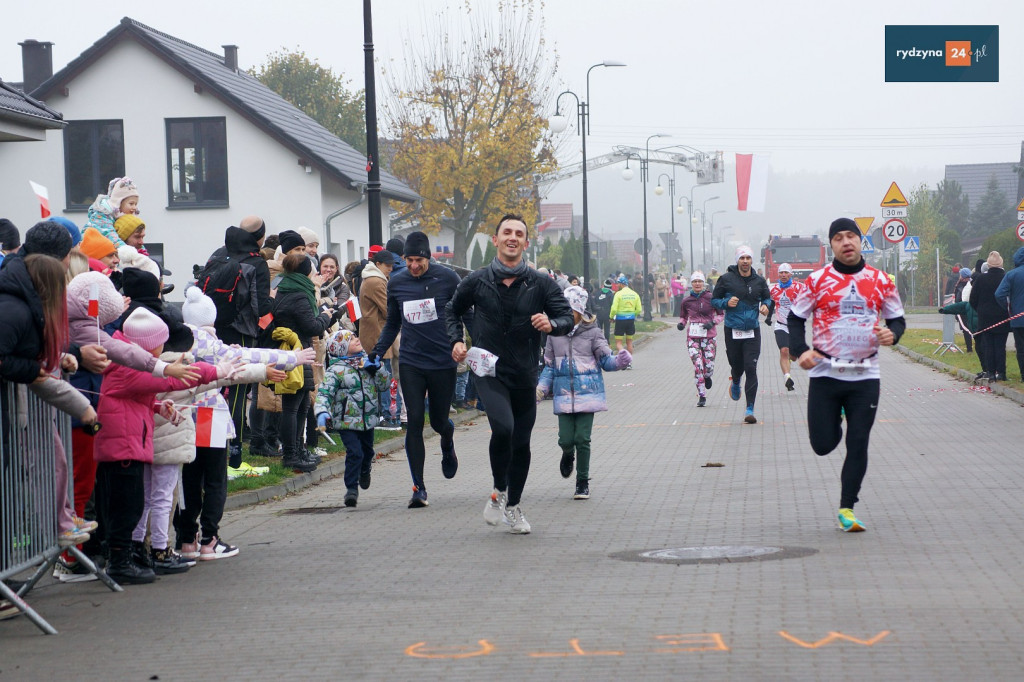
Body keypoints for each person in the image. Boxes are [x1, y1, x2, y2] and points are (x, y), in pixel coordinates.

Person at [447, 214, 573, 534]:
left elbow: (565, 318)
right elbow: (453, 309)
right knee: (502, 428)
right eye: (507, 232)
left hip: (525, 371)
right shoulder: (476, 280)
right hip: (488, 369)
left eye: (519, 233)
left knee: (521, 441)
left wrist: (552, 324)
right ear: (496, 239)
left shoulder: (541, 283)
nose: (512, 237)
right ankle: (498, 491)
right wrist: (458, 340)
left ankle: (513, 505)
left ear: (526, 243)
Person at [788, 217, 906, 533]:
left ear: (860, 241)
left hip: (865, 376)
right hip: (825, 376)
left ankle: (847, 508)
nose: (846, 242)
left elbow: (898, 321)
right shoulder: (816, 281)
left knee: (858, 442)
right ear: (832, 245)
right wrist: (801, 352)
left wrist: (892, 335)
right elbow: (795, 319)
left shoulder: (881, 280)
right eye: (838, 238)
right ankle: (834, 421)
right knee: (823, 444)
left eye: (851, 235)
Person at [93, 308, 205, 584]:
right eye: (158, 343)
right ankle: (123, 561)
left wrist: (156, 405)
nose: (161, 348)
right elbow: (168, 379)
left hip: (130, 443)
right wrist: (224, 370)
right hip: (124, 446)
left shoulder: (128, 365)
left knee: (134, 503)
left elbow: (137, 395)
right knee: (127, 506)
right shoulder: (130, 367)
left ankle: (133, 556)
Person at [370, 231, 465, 508]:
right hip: (411, 361)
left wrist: (469, 343)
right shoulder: (397, 283)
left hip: (442, 361)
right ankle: (418, 488)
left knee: (437, 421)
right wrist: (376, 352)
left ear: (428, 257)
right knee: (414, 421)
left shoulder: (447, 278)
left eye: (418, 260)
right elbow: (392, 323)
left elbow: (463, 312)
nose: (413, 266)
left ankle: (447, 441)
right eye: (409, 260)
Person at [536, 285, 630, 500]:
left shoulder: (593, 332)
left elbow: (606, 360)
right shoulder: (553, 334)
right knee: (565, 440)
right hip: (563, 395)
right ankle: (567, 455)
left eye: (570, 311)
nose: (566, 315)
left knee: (582, 439)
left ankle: (582, 482)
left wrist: (620, 361)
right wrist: (540, 391)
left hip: (588, 393)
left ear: (579, 310)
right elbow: (549, 366)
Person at [206, 217, 274, 466]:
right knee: (236, 391)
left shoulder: (218, 253)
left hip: (213, 329)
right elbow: (262, 305)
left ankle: (212, 451)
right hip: (242, 332)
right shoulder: (257, 262)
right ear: (261, 236)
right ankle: (234, 456)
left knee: (211, 388)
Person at [272, 253, 340, 471]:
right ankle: (291, 454)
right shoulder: (300, 294)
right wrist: (326, 316)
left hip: (299, 350)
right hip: (297, 351)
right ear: (304, 272)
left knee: (301, 404)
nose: (316, 273)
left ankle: (299, 450)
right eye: (312, 269)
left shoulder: (286, 287)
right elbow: (311, 327)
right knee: (293, 406)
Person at [315, 330, 390, 508]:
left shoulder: (367, 362)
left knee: (367, 452)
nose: (357, 339)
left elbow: (384, 385)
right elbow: (324, 393)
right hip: (346, 420)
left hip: (368, 419)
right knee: (355, 452)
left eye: (356, 336)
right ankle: (351, 489)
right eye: (351, 339)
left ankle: (365, 470)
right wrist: (321, 412)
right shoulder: (336, 370)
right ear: (341, 348)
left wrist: (379, 368)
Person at [711, 245, 771, 424]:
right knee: (737, 365)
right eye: (742, 258)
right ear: (737, 260)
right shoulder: (726, 279)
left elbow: (767, 297)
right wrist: (726, 302)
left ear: (752, 260)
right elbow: (714, 300)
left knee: (751, 368)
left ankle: (749, 409)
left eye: (748, 258)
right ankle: (735, 380)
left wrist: (766, 306)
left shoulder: (759, 281)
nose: (745, 261)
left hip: (752, 330)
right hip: (732, 330)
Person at [356, 249, 399, 428]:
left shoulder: (372, 278)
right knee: (382, 376)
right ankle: (385, 416)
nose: (390, 269)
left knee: (379, 376)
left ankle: (383, 415)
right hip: (377, 333)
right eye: (387, 266)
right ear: (378, 264)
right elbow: (388, 309)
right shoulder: (376, 281)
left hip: (373, 331)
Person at [678, 271, 723, 407]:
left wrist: (713, 322)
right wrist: (681, 323)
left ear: (704, 283)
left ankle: (708, 376)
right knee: (698, 366)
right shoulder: (686, 301)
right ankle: (702, 396)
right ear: (691, 284)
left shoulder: (711, 298)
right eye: (695, 282)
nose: (697, 284)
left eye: (700, 281)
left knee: (708, 367)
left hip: (709, 337)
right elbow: (683, 316)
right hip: (693, 338)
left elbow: (721, 314)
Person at [970, 251, 1008, 382]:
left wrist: (980, 310)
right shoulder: (1005, 277)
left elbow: (972, 299)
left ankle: (991, 372)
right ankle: (1002, 372)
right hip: (1003, 316)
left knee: (988, 346)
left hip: (985, 318)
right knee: (1000, 345)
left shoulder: (981, 279)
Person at [767, 263, 805, 391]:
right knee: (784, 350)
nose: (783, 275)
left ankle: (791, 359)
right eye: (781, 273)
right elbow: (771, 302)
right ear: (778, 274)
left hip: (795, 327)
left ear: (791, 274)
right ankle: (787, 378)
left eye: (786, 273)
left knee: (793, 356)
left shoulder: (799, 287)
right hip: (781, 325)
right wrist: (767, 317)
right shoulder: (773, 288)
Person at [84, 176, 140, 251]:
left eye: (136, 204)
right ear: (118, 202)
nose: (134, 207)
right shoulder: (101, 216)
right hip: (90, 253)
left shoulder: (122, 217)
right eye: (131, 204)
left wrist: (143, 254)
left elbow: (135, 238)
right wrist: (129, 252)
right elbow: (111, 236)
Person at [994, 246, 1024, 381]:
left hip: (1018, 319)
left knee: (1021, 349)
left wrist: (1008, 308)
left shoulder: (1011, 274)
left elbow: (999, 294)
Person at [609, 274, 642, 355]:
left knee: (619, 343)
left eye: (617, 284)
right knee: (629, 342)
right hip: (630, 320)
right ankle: (629, 362)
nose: (617, 285)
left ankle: (623, 359)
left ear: (621, 284)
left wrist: (611, 317)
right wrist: (633, 315)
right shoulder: (635, 294)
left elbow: (613, 309)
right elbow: (639, 309)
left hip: (620, 320)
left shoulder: (618, 294)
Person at [953, 267, 974, 352]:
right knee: (966, 330)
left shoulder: (965, 286)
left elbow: (959, 298)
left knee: (967, 329)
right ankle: (969, 348)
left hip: (965, 310)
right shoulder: (960, 284)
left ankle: (969, 349)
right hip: (962, 310)